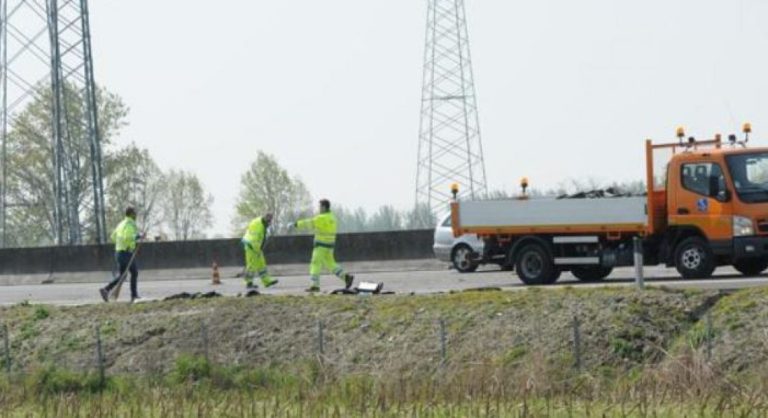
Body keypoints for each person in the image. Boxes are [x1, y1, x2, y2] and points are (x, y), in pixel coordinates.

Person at [293, 199, 354, 292]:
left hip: (321, 245)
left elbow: (309, 223)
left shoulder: (321, 218)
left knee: (315, 263)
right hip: (330, 245)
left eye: (320, 207)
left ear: (324, 207)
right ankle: (346, 277)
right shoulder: (333, 217)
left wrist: (296, 224)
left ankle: (315, 285)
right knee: (331, 264)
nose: (319, 209)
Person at [100, 207, 143, 303]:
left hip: (119, 252)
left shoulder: (121, 224)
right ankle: (134, 295)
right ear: (131, 214)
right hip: (126, 253)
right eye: (135, 213)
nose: (136, 216)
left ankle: (106, 289)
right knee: (134, 272)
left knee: (122, 276)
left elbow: (113, 237)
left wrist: (121, 244)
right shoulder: (130, 224)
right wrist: (138, 236)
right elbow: (128, 237)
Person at [241, 213, 279, 290]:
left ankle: (267, 281)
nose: (270, 223)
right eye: (269, 221)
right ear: (266, 219)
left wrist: (259, 250)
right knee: (251, 265)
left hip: (254, 246)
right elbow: (255, 240)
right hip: (251, 246)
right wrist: (257, 251)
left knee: (261, 264)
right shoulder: (259, 227)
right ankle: (248, 283)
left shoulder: (260, 222)